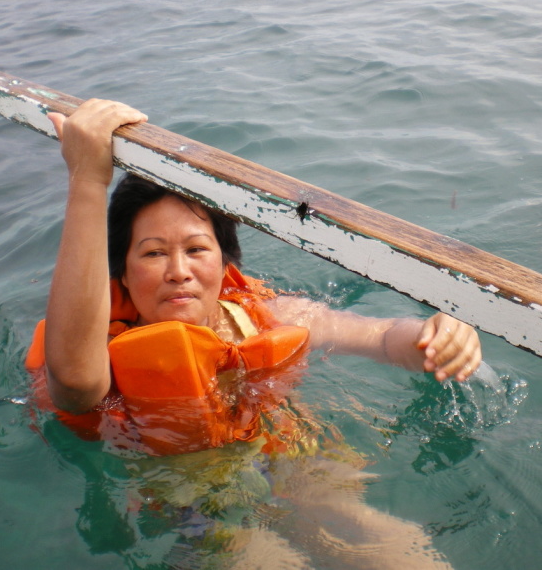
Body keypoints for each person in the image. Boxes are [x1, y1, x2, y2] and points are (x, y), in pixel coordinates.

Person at [34, 98, 483, 568]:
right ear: (121, 275)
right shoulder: (100, 353)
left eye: (196, 249)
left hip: (295, 469)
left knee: (396, 555)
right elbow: (75, 386)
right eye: (152, 254)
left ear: (226, 265)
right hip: (195, 504)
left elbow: (386, 336)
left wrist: (436, 334)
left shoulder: (268, 317)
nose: (178, 271)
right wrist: (87, 180)